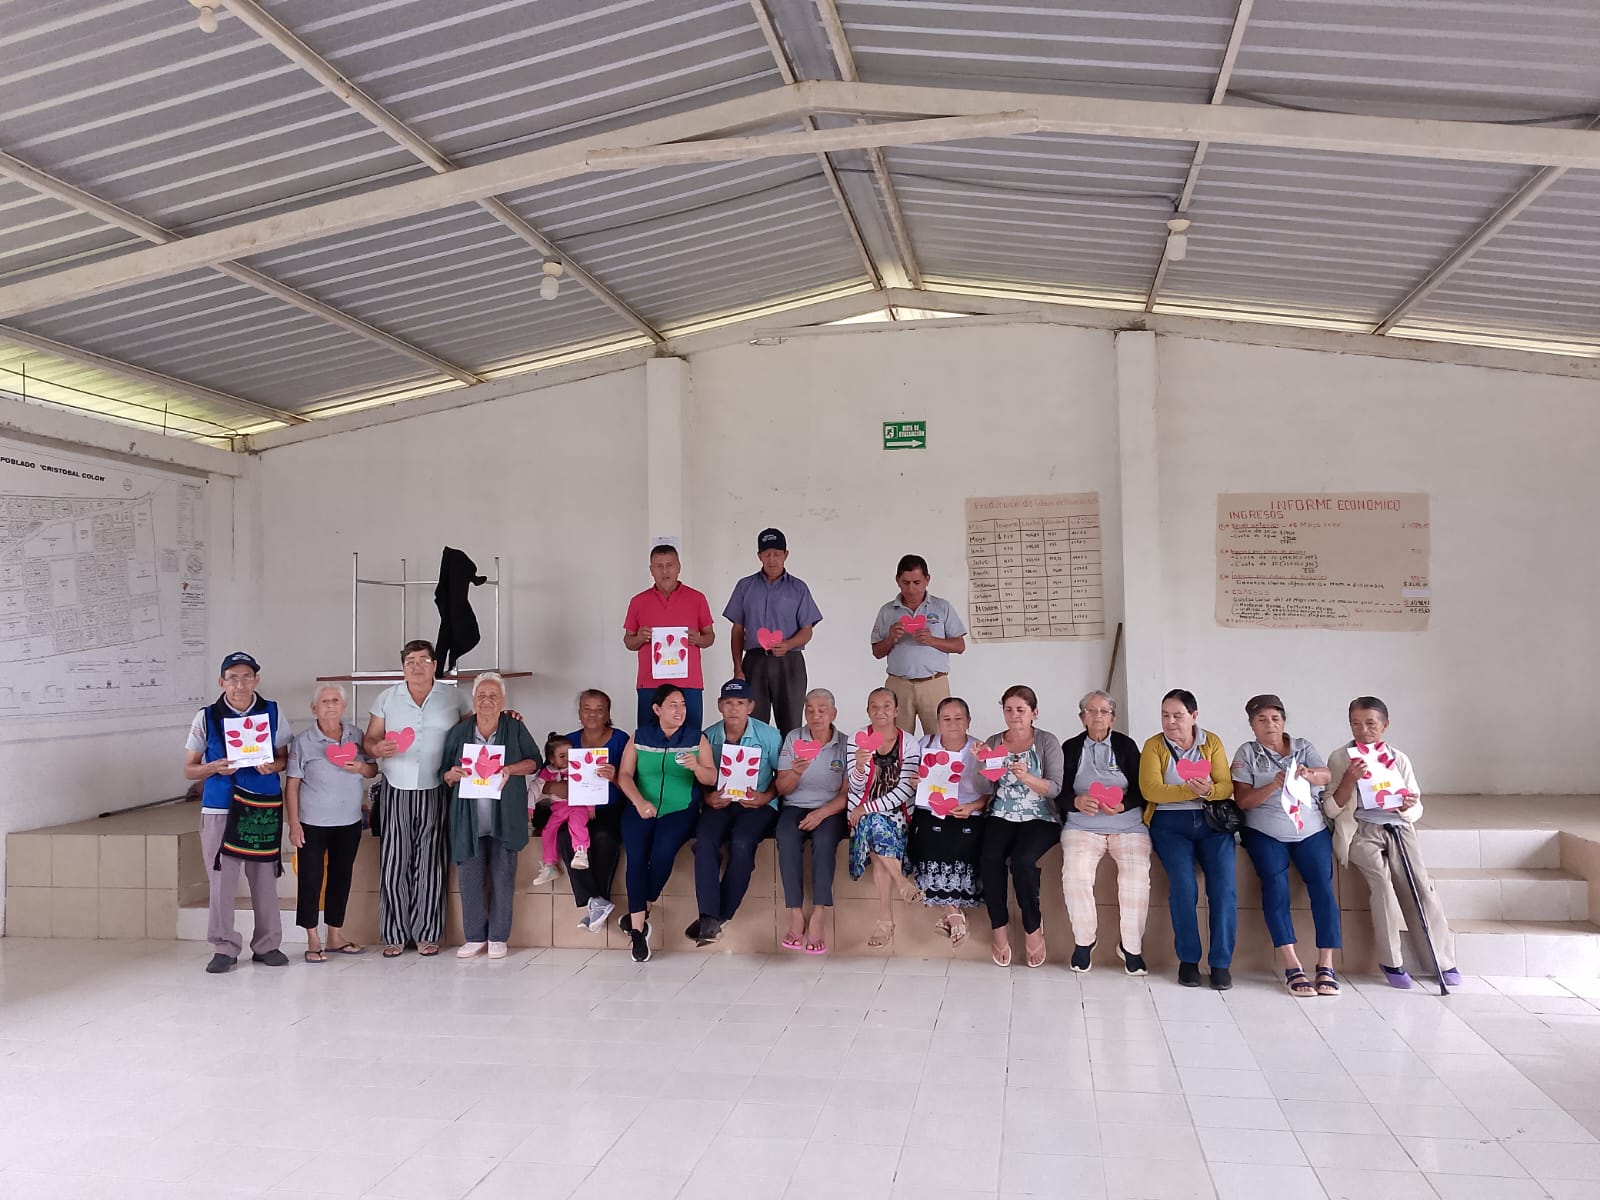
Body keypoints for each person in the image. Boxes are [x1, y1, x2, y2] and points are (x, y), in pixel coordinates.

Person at [1326, 696, 1461, 990]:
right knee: (1383, 886)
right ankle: (1391, 961)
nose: (1363, 730)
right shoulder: (1340, 758)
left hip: (1398, 827)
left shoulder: (1398, 758)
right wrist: (1349, 780)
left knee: (1420, 887)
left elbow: (1416, 807)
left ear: (1385, 725)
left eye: (1370, 724)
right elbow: (1331, 809)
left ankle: (1440, 960)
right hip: (1360, 829)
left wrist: (1406, 806)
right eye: (1356, 724)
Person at [182, 651, 293, 974]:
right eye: (233, 678)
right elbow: (189, 769)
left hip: (261, 804)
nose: (240, 684)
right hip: (220, 805)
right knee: (221, 880)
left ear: (257, 680)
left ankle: (268, 944)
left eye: (246, 677)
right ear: (222, 682)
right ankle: (224, 946)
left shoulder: (273, 712)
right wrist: (213, 767)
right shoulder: (206, 718)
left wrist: (273, 765)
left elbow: (285, 757)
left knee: (265, 878)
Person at [363, 639, 471, 958]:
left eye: (423, 660)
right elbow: (370, 739)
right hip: (396, 786)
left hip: (437, 787)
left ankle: (427, 934)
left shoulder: (454, 697)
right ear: (403, 667)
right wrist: (376, 748)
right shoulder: (387, 698)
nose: (417, 666)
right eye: (410, 661)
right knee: (395, 861)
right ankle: (394, 934)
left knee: (431, 862)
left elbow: (473, 733)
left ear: (435, 665)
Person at [1231, 694, 1340, 996]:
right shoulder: (1247, 753)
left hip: (1310, 829)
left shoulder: (1303, 747)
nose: (1270, 724)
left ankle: (1326, 963)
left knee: (1323, 885)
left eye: (1275, 718)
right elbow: (1242, 800)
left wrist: (1308, 774)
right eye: (1262, 719)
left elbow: (1326, 775)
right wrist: (1272, 785)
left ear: (1284, 721)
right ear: (1252, 725)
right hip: (1266, 832)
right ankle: (1292, 964)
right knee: (1275, 884)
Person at [1140, 688, 1237, 990]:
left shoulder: (1212, 742)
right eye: (1165, 716)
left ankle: (1220, 963)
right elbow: (1151, 790)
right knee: (1183, 887)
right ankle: (1189, 960)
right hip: (1169, 824)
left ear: (1194, 716)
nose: (1170, 722)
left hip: (1211, 822)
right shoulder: (1153, 746)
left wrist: (1208, 791)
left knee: (1224, 888)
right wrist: (1190, 790)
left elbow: (1226, 786)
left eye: (1178, 716)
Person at [440, 672, 540, 959]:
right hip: (468, 821)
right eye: (481, 695)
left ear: (503, 700)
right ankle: (474, 937)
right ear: (473, 700)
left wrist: (510, 769)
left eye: (493, 696)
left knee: (503, 877)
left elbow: (535, 761)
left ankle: (498, 937)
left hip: (504, 819)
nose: (487, 700)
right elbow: (443, 773)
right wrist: (452, 774)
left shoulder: (514, 727)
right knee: (469, 880)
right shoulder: (460, 731)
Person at [616, 684, 717, 962]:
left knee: (663, 852)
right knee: (636, 858)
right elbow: (624, 775)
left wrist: (696, 767)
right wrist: (639, 802)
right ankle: (638, 932)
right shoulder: (640, 737)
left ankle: (643, 906)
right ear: (657, 709)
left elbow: (711, 777)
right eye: (673, 705)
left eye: (683, 704)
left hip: (679, 809)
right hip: (640, 806)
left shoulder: (696, 739)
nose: (680, 710)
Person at [1059, 690, 1148, 975]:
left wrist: (1122, 805)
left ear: (1113, 718)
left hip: (1128, 825)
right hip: (1082, 825)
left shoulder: (1126, 745)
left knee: (1136, 879)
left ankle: (1131, 947)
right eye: (1091, 710)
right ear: (1082, 717)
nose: (1097, 716)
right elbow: (1058, 791)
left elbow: (1142, 789)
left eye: (1104, 711)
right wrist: (1075, 801)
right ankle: (1084, 941)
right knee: (1075, 875)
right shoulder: (1071, 747)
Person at [286, 684, 377, 963]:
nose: (330, 705)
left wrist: (361, 767)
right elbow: (292, 785)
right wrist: (294, 824)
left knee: (341, 877)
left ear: (344, 706)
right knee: (311, 879)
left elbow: (372, 770)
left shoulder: (356, 735)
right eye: (324, 701)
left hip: (349, 821)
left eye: (335, 700)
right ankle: (313, 938)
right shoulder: (303, 741)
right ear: (314, 708)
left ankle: (335, 935)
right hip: (312, 822)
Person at [692, 679, 783, 946]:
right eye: (729, 703)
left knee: (742, 844)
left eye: (740, 703)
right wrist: (708, 797)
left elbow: (783, 776)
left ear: (750, 706)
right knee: (704, 842)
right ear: (720, 706)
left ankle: (719, 916)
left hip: (757, 805)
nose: (734, 708)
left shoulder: (769, 736)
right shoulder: (707, 737)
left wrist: (765, 797)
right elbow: (698, 778)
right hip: (720, 804)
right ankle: (709, 917)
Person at [980, 686, 1065, 969]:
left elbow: (1055, 788)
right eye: (1008, 709)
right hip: (1001, 814)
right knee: (989, 858)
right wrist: (980, 762)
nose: (1014, 715)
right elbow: (985, 786)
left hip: (1040, 816)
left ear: (1034, 713)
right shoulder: (994, 741)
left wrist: (1027, 777)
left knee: (1023, 860)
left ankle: (1032, 926)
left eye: (1021, 709)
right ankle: (998, 927)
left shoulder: (1047, 741)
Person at [906, 696, 990, 948]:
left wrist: (972, 807)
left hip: (967, 810)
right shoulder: (925, 744)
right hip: (930, 809)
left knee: (962, 839)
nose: (953, 724)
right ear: (938, 722)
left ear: (969, 721)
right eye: (946, 719)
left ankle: (950, 914)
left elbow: (991, 792)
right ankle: (953, 913)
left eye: (958, 718)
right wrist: (915, 781)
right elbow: (910, 777)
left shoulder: (979, 750)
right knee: (929, 837)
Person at [723, 527, 823, 735]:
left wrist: (788, 644)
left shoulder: (798, 588)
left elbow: (807, 630)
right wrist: (738, 668)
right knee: (752, 723)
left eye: (777, 554)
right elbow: (737, 630)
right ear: (759, 556)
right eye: (767, 554)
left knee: (791, 722)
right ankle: (757, 758)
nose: (772, 559)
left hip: (789, 662)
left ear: (786, 554)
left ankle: (788, 758)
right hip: (755, 661)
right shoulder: (745, 586)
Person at [846, 687, 924, 948]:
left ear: (897, 710)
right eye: (874, 706)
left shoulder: (908, 742)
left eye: (886, 706)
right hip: (863, 814)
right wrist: (859, 766)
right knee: (874, 825)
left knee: (875, 829)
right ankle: (902, 884)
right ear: (868, 710)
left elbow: (906, 790)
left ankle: (885, 920)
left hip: (898, 812)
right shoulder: (857, 739)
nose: (880, 711)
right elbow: (855, 787)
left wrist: (867, 809)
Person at [775, 688, 850, 954]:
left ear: (833, 713)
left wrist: (822, 813)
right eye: (810, 710)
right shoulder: (794, 738)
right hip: (795, 805)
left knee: (825, 839)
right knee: (786, 836)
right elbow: (781, 788)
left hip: (831, 808)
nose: (816, 715)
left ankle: (819, 912)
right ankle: (795, 912)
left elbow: (847, 794)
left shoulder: (845, 743)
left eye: (822, 710)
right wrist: (795, 773)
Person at [870, 554, 968, 735]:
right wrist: (890, 638)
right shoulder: (887, 611)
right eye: (905, 582)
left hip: (934, 684)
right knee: (895, 739)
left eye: (917, 582)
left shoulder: (942, 607)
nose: (911, 588)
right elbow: (877, 652)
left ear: (927, 580)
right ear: (897, 580)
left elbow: (960, 646)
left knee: (941, 738)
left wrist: (932, 640)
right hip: (898, 685)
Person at [622, 544, 716, 730]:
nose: (665, 571)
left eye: (669, 565)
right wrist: (639, 638)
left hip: (688, 682)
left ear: (678, 567)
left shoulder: (697, 598)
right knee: (649, 737)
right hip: (650, 682)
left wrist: (698, 640)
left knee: (690, 737)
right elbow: (629, 641)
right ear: (651, 570)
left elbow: (710, 637)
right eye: (659, 566)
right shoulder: (638, 601)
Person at [561, 689, 630, 931]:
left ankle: (597, 902)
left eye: (599, 709)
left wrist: (615, 777)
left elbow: (635, 783)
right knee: (565, 836)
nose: (592, 714)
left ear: (608, 714)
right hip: (577, 810)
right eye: (587, 709)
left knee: (603, 837)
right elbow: (551, 779)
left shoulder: (621, 740)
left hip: (612, 808)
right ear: (579, 712)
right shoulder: (567, 741)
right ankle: (595, 900)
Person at [529, 734, 588, 888]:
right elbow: (534, 788)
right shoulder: (546, 772)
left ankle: (581, 852)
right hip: (558, 809)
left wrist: (591, 807)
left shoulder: (581, 767)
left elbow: (590, 787)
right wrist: (529, 808)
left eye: (570, 754)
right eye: (562, 756)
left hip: (578, 806)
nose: (567, 759)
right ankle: (549, 865)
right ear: (551, 758)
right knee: (548, 831)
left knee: (577, 825)